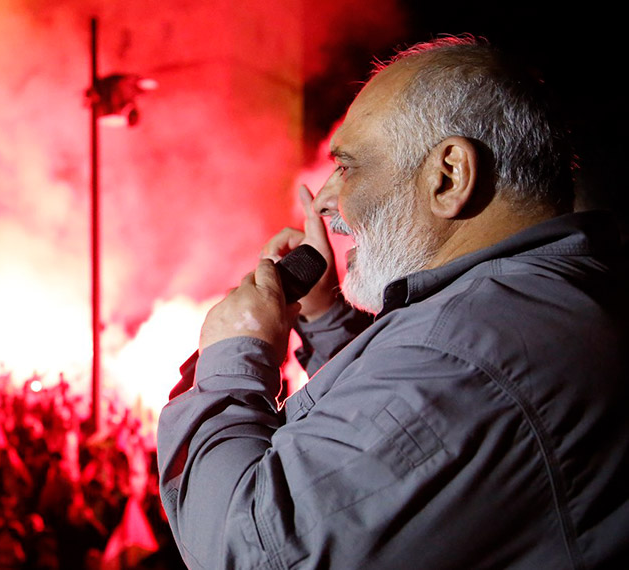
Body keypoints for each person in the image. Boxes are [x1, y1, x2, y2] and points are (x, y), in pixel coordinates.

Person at [157, 36, 628, 569]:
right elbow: (385, 425)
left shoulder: (465, 356)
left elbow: (249, 550)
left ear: (449, 176)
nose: (326, 200)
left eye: (348, 167)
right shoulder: (544, 298)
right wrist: (325, 317)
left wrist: (232, 359)